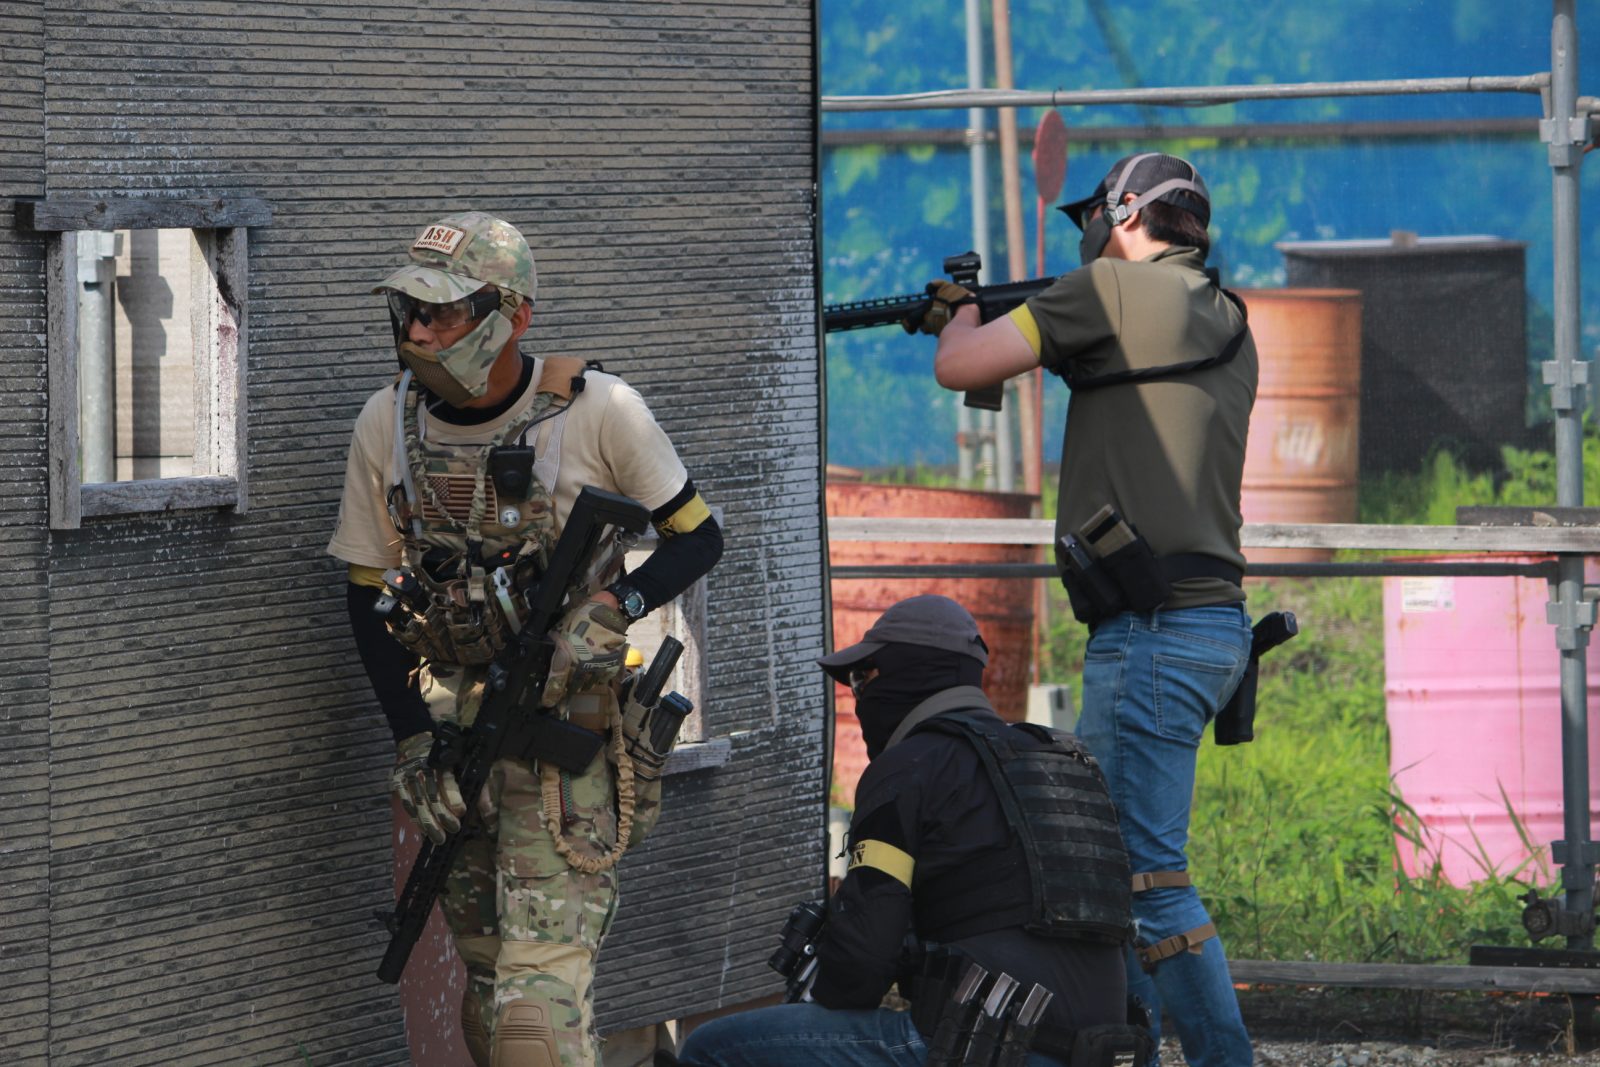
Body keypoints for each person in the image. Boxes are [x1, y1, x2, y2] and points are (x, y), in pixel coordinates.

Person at [328, 211, 723, 1067]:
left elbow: (698, 536)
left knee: (532, 1019)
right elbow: (365, 594)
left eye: (444, 313)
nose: (421, 333)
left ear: (514, 317)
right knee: (487, 994)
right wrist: (411, 742)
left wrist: (615, 602)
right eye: (412, 312)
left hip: (563, 753)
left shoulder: (596, 411)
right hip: (455, 753)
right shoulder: (386, 422)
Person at [916, 153, 1258, 1066]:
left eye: (1095, 217)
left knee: (1146, 880)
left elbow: (961, 367)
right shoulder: (1226, 316)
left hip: (1152, 632)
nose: (1089, 234)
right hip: (1211, 623)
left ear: (1125, 212)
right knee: (1121, 877)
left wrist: (958, 316)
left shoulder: (1106, 290)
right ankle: (1123, 1048)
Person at [677, 595, 1139, 1067]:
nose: (858, 695)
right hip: (1104, 1050)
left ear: (909, 673)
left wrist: (827, 978)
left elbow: (859, 971)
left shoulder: (909, 767)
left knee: (712, 1049)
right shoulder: (1062, 761)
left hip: (993, 1050)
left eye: (863, 677)